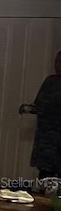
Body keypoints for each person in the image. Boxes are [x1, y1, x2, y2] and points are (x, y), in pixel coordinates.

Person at [19, 50, 61, 179]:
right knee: (44, 178)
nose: (58, 65)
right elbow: (39, 105)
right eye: (56, 61)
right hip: (46, 140)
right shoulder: (50, 81)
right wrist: (28, 108)